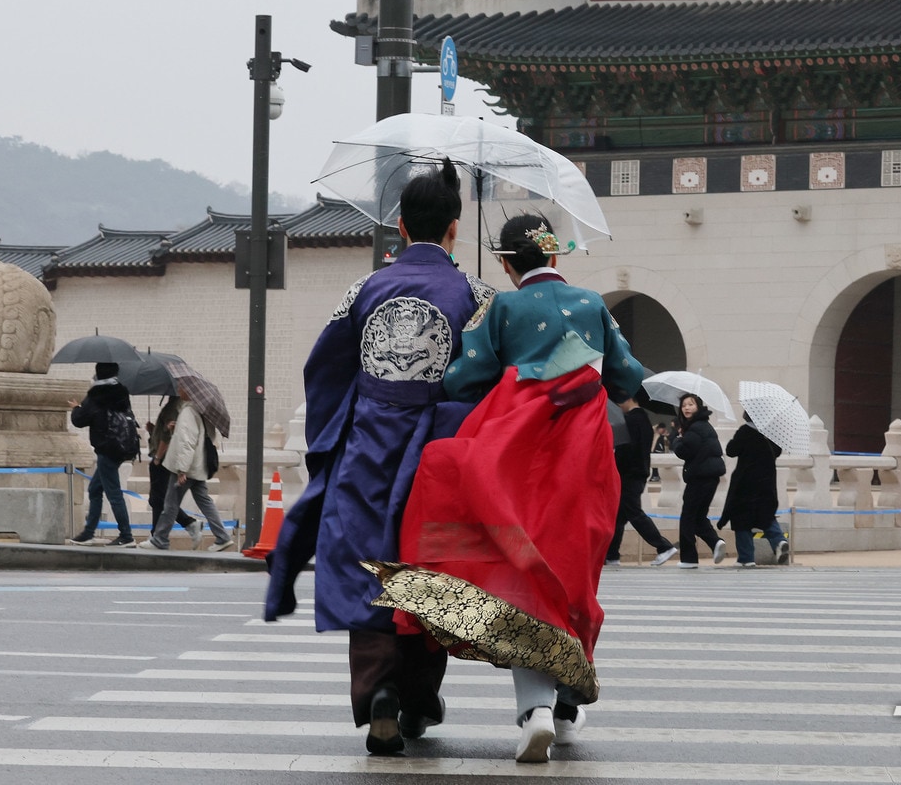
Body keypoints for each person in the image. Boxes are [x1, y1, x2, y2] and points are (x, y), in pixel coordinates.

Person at [371, 212, 644, 763]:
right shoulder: (592, 305)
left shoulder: (502, 307)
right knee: (573, 571)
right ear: (556, 257)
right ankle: (564, 704)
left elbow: (464, 376)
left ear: (505, 263)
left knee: (525, 571)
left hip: (520, 454)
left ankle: (538, 709)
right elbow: (629, 375)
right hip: (583, 457)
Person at [263, 158, 495, 756]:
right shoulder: (475, 295)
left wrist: (332, 440)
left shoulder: (364, 290)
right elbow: (489, 379)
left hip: (368, 446)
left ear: (399, 226)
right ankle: (419, 695)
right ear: (453, 227)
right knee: (428, 566)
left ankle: (379, 696)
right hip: (438, 453)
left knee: (369, 564)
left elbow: (324, 369)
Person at [139, 383, 231, 552]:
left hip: (187, 468)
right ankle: (223, 536)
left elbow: (187, 443)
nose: (179, 390)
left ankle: (160, 539)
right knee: (205, 502)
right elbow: (197, 437)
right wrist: (175, 429)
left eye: (182, 388)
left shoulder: (188, 412)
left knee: (170, 504)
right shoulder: (198, 412)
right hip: (198, 466)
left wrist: (182, 469)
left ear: (189, 392)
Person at [67, 362, 138, 548]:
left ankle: (126, 535)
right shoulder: (122, 393)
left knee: (114, 494)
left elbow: (79, 420)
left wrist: (76, 407)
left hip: (106, 449)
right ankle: (88, 532)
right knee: (95, 489)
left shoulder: (96, 395)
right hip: (121, 447)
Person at [605, 391, 678, 567]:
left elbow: (625, 450)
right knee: (619, 516)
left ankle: (663, 546)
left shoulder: (630, 421)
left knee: (633, 512)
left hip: (629, 473)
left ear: (628, 399)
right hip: (639, 471)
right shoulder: (644, 419)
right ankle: (612, 555)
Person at [716, 413, 787, 567]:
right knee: (766, 515)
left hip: (746, 483)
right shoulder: (770, 433)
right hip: (766, 482)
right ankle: (779, 541)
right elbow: (777, 451)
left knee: (741, 518)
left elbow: (731, 450)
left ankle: (746, 558)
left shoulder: (744, 431)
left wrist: (733, 441)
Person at [671, 393, 729, 568]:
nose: (687, 408)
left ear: (699, 407)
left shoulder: (696, 428)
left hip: (699, 478)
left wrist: (677, 439)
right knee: (698, 516)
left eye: (691, 404)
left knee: (688, 517)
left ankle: (688, 559)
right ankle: (715, 543)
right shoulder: (703, 426)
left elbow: (685, 451)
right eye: (684, 405)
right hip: (709, 478)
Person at [144, 397, 203, 550]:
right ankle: (157, 535)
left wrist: (157, 457)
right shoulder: (179, 407)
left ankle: (185, 525)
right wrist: (154, 430)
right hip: (167, 458)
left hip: (163, 458)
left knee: (160, 499)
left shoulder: (174, 407)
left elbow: (167, 436)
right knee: (160, 499)